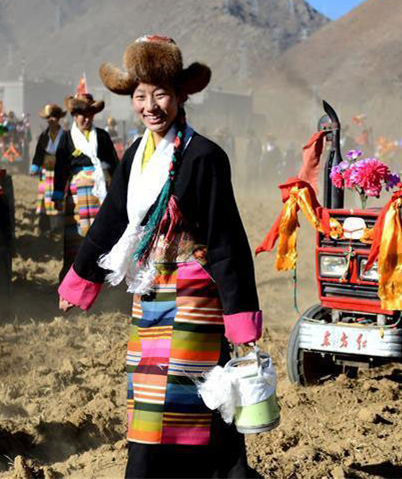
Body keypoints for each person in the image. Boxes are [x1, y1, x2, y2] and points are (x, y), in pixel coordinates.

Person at [58, 35, 261, 478]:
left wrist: (241, 321)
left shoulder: (205, 156)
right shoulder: (135, 155)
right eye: (140, 96)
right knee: (149, 403)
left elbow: (227, 242)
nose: (150, 106)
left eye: (160, 94)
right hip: (149, 294)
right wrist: (80, 279)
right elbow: (112, 221)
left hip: (196, 302)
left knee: (198, 401)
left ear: (181, 95)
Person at [51, 93, 118, 280]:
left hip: (102, 192)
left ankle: (102, 277)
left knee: (102, 234)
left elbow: (114, 165)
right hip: (77, 195)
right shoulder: (66, 139)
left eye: (89, 114)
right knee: (76, 237)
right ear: (74, 115)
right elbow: (61, 168)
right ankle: (74, 276)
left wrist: (119, 194)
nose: (85, 118)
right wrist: (57, 195)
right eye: (81, 114)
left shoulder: (102, 136)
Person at [30, 104, 67, 234]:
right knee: (45, 201)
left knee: (59, 198)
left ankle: (59, 227)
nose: (51, 120)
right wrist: (35, 165)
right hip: (46, 172)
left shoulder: (65, 136)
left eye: (54, 117)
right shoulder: (43, 136)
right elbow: (38, 153)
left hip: (60, 172)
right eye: (49, 117)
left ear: (59, 119)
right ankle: (45, 227)